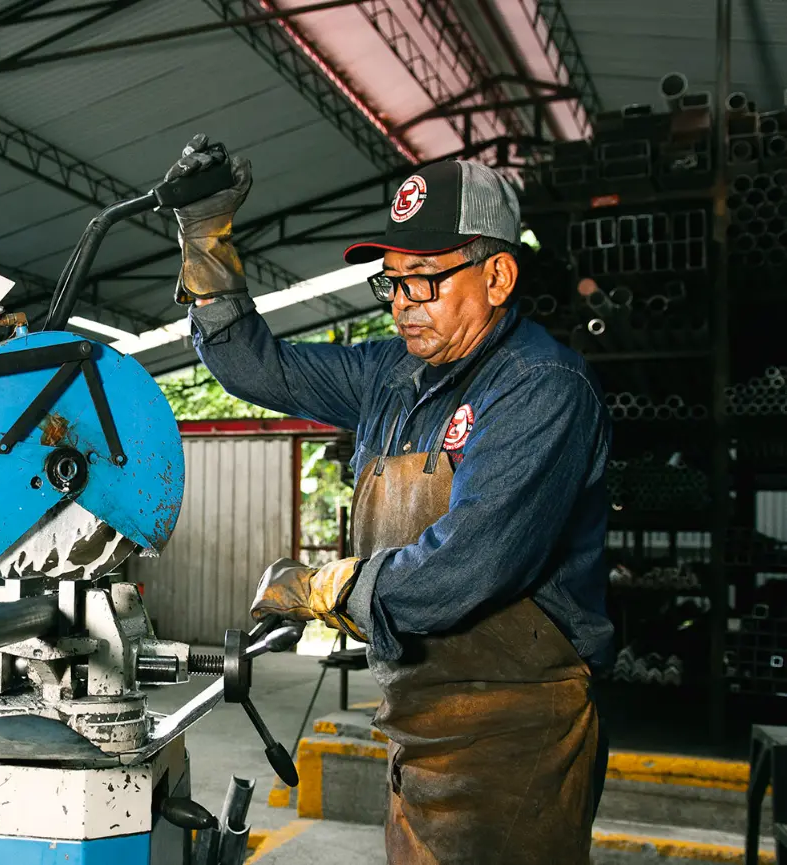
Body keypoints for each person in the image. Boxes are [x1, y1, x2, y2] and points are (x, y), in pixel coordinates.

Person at [164, 135, 614, 864]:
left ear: (498, 276)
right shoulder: (391, 375)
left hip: (518, 735)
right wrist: (206, 244)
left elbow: (467, 566)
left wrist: (328, 586)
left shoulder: (540, 388)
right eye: (392, 282)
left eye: (424, 280)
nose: (403, 305)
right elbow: (257, 368)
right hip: (417, 724)